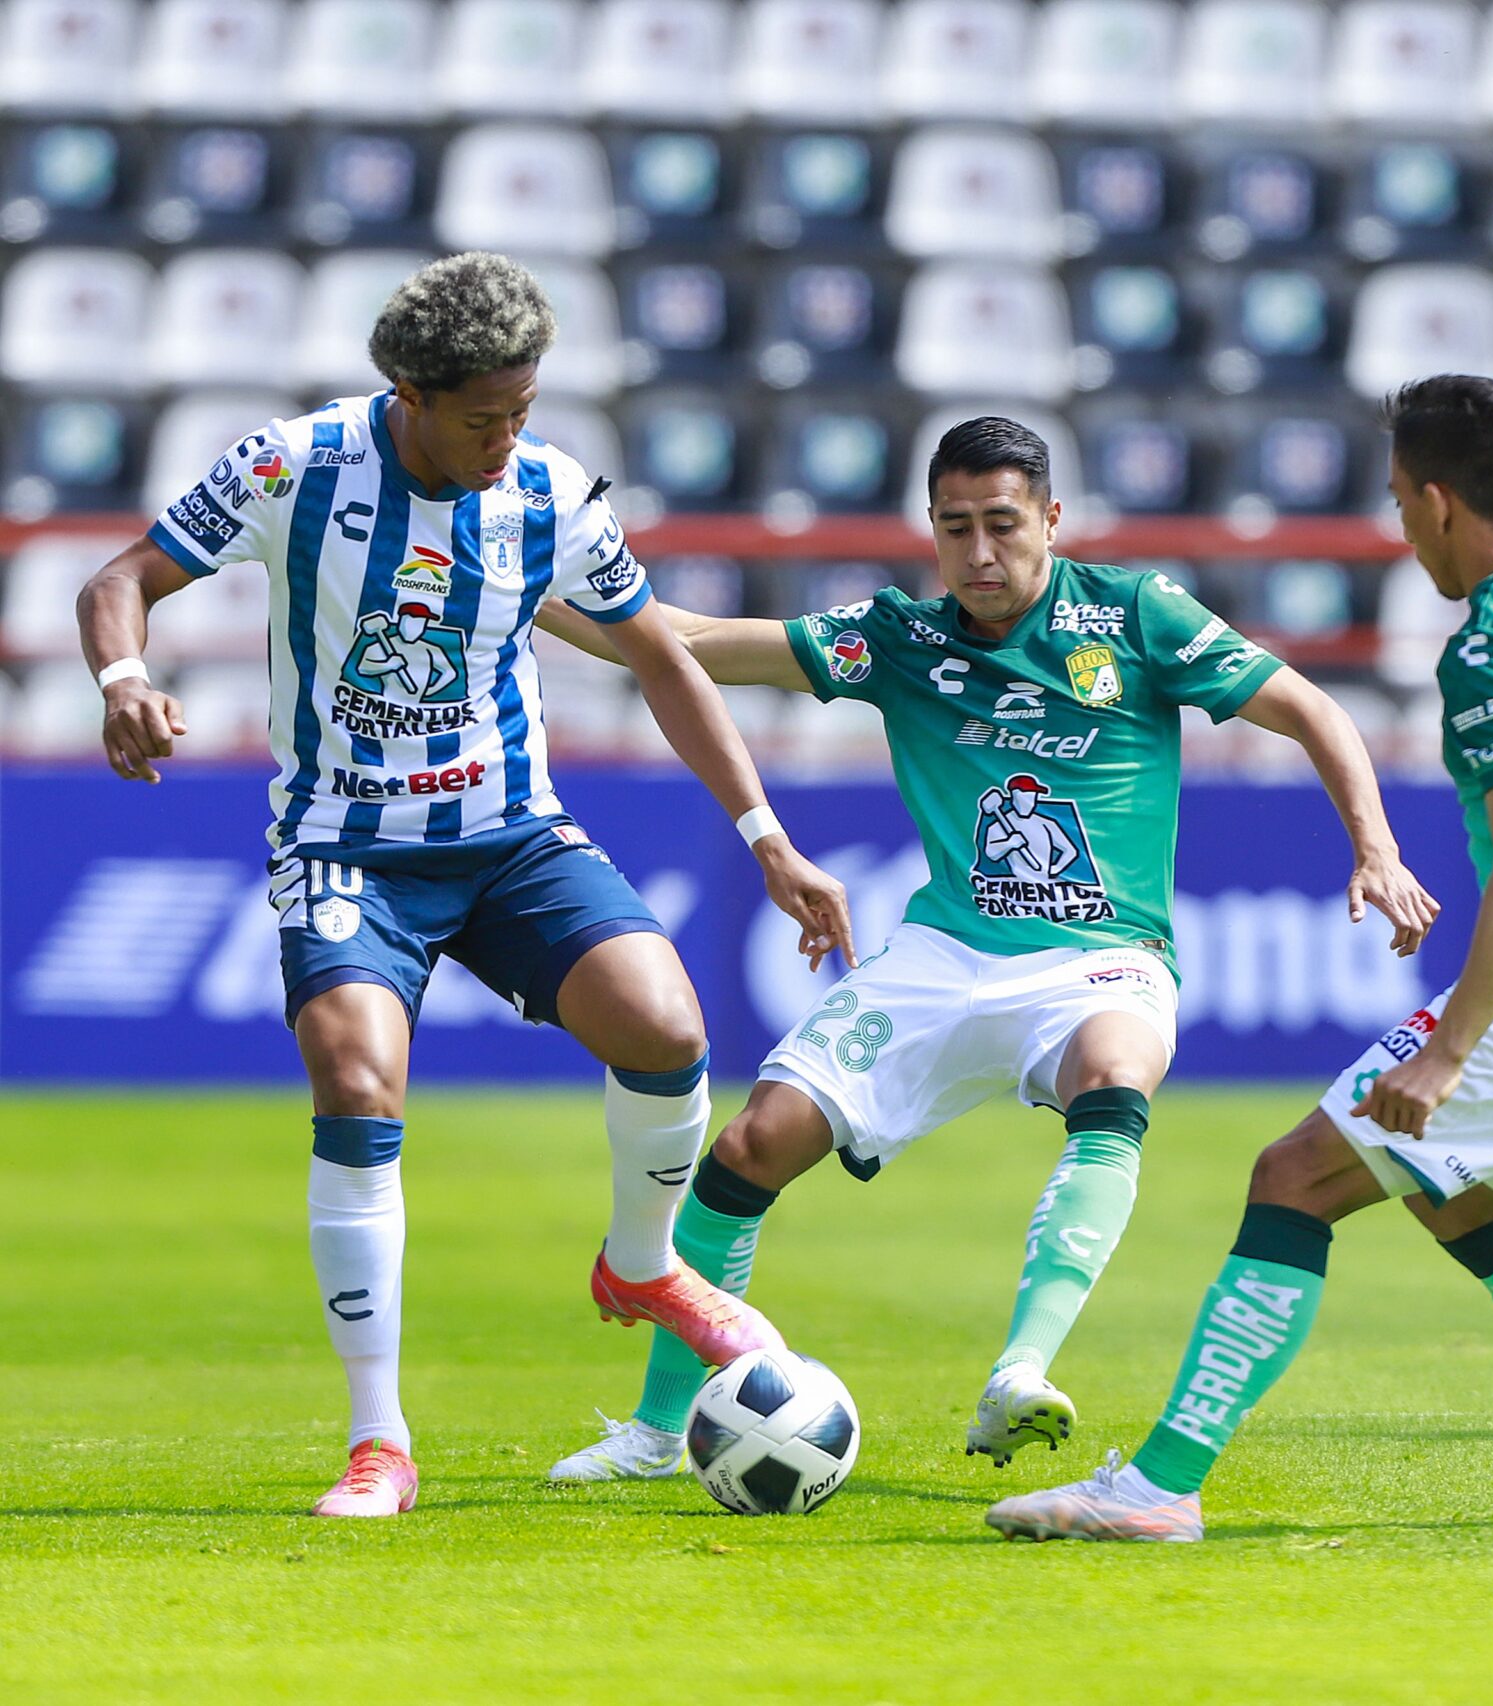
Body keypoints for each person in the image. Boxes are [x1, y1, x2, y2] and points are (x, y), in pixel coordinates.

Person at [73, 252, 852, 1518]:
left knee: (668, 1026)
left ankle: (643, 1265)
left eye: (526, 410)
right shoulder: (293, 465)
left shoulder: (549, 495)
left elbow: (663, 659)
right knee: (357, 1076)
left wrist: (766, 833)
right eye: (486, 415)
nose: (510, 438)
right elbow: (119, 583)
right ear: (409, 393)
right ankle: (379, 1438)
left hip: (508, 836)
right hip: (345, 845)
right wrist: (122, 682)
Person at [538, 415, 1440, 1482]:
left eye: (1002, 524)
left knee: (1114, 1078)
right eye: (953, 527)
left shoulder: (1137, 616)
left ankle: (1022, 1366)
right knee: (749, 1147)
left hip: (1101, 956)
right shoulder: (901, 639)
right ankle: (656, 1426)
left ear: (1051, 519)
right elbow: (681, 638)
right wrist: (521, 593)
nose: (978, 553)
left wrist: (1374, 846)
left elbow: (1308, 707)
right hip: (941, 953)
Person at [984, 375, 1493, 1543]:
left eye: (1404, 502)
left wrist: (1449, 1047)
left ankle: (1157, 1486)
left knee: (1293, 1175)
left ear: (1446, 500)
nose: (1402, 530)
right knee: (1452, 1192)